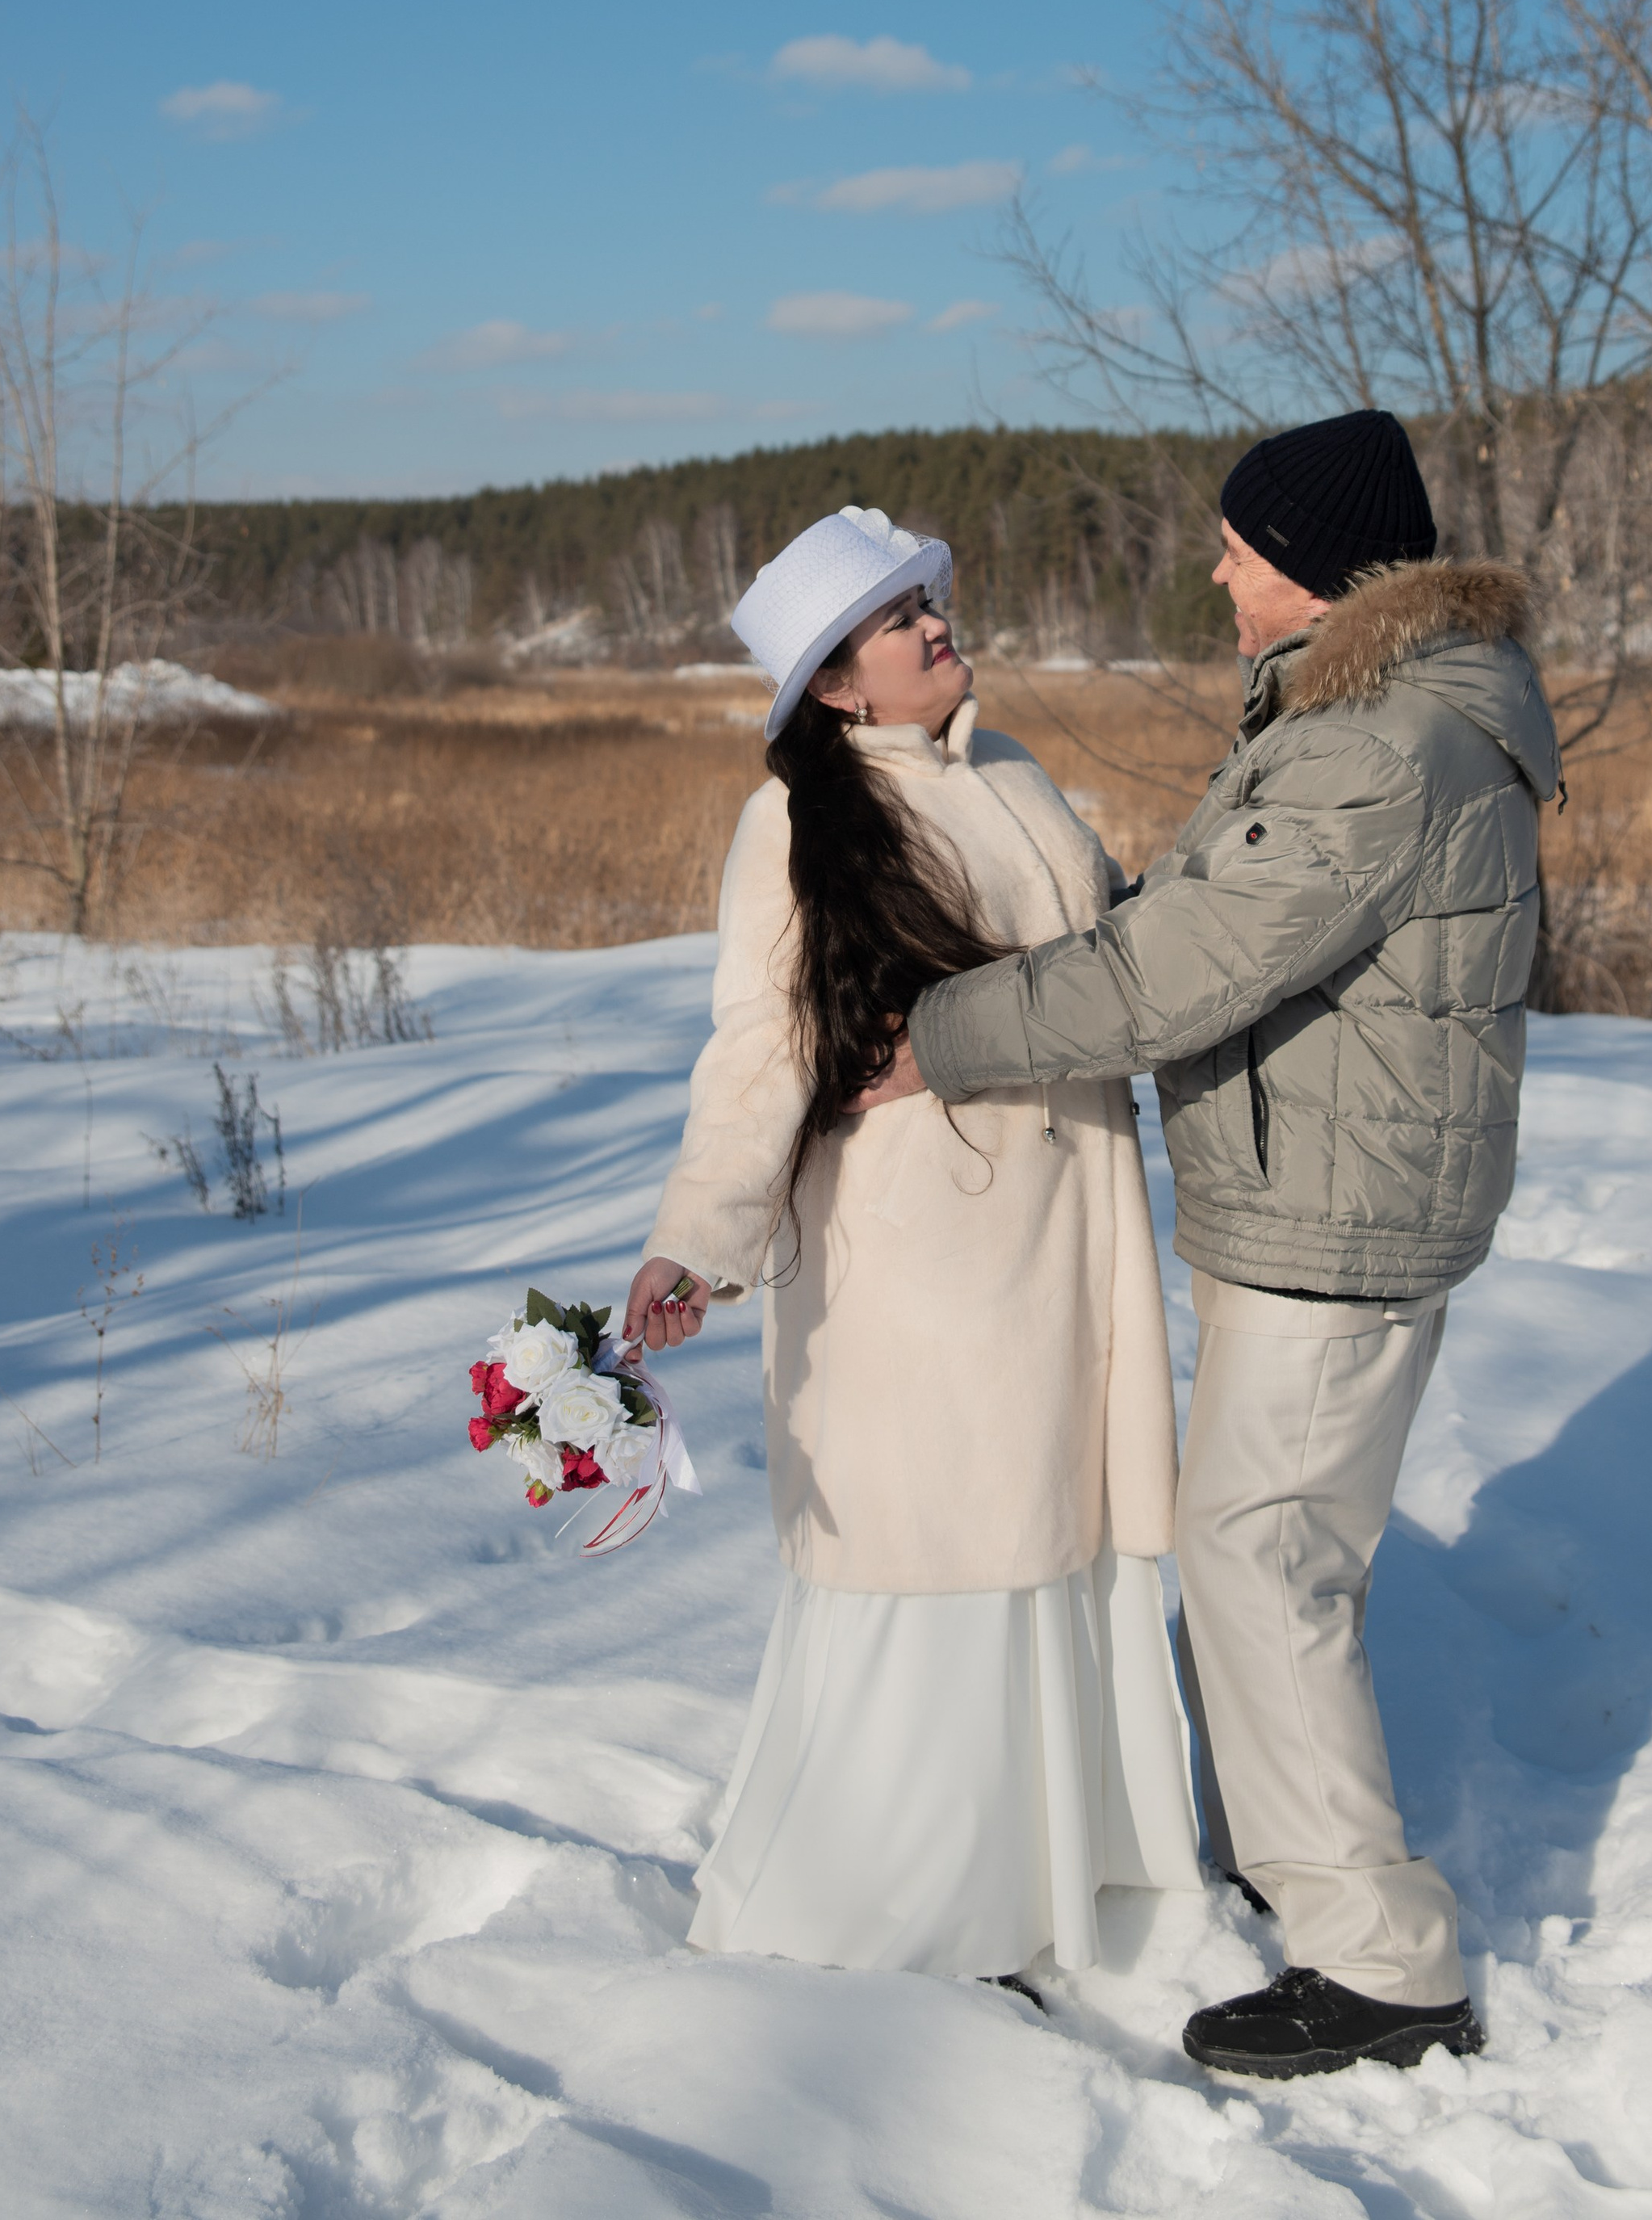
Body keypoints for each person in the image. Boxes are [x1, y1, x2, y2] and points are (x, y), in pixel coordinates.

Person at [856, 409, 1561, 2079]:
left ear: (1316, 564)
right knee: (1276, 1549)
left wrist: (936, 1036)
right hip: (1341, 1189)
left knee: (1260, 1559)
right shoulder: (1391, 715)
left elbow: (1177, 967)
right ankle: (1284, 1827)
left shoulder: (1374, 746)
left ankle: (1380, 1958)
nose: (1219, 567)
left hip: (1340, 1212)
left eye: (1241, 542)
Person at [623, 503, 1202, 1989]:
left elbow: (1110, 957)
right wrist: (695, 1239)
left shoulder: (1007, 770)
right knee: (956, 1543)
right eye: (899, 619)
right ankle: (911, 1906)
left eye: (932, 599)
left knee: (1052, 1538)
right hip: (922, 1262)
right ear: (835, 681)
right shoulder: (799, 821)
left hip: (1067, 1233)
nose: (939, 625)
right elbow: (762, 1048)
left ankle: (1049, 1879)